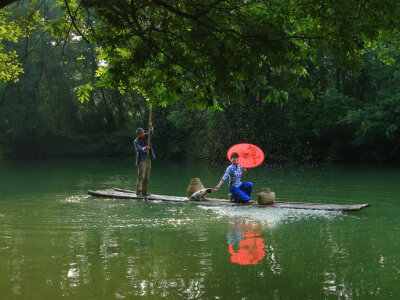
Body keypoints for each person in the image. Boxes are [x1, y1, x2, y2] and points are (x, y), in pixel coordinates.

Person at [134, 123, 155, 196]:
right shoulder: (136, 141)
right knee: (141, 177)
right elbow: (139, 149)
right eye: (141, 134)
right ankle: (139, 192)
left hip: (148, 159)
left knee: (146, 176)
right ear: (138, 134)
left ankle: (144, 192)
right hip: (142, 161)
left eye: (143, 133)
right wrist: (145, 148)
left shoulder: (146, 136)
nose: (143, 134)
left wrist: (150, 127)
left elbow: (150, 133)